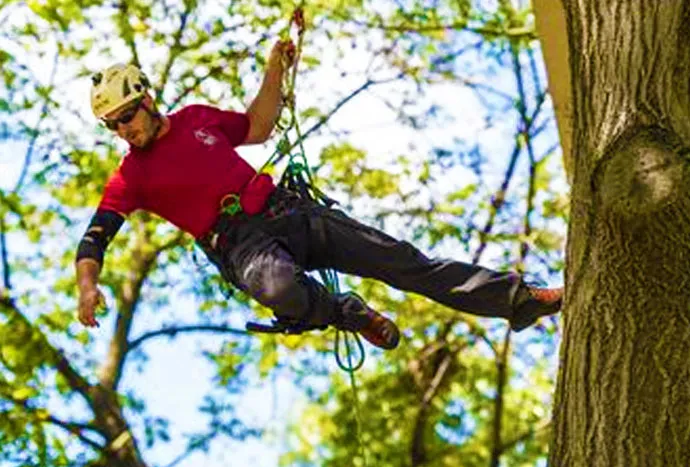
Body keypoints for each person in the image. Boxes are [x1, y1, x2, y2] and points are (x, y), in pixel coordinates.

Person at [75, 40, 563, 351]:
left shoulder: (197, 119)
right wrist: (87, 284)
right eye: (112, 124)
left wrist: (274, 68)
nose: (123, 129)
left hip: (289, 211)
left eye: (127, 115)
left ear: (147, 98)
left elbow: (258, 126)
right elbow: (95, 237)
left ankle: (519, 300)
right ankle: (347, 312)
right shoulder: (131, 175)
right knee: (278, 288)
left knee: (404, 262)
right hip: (244, 246)